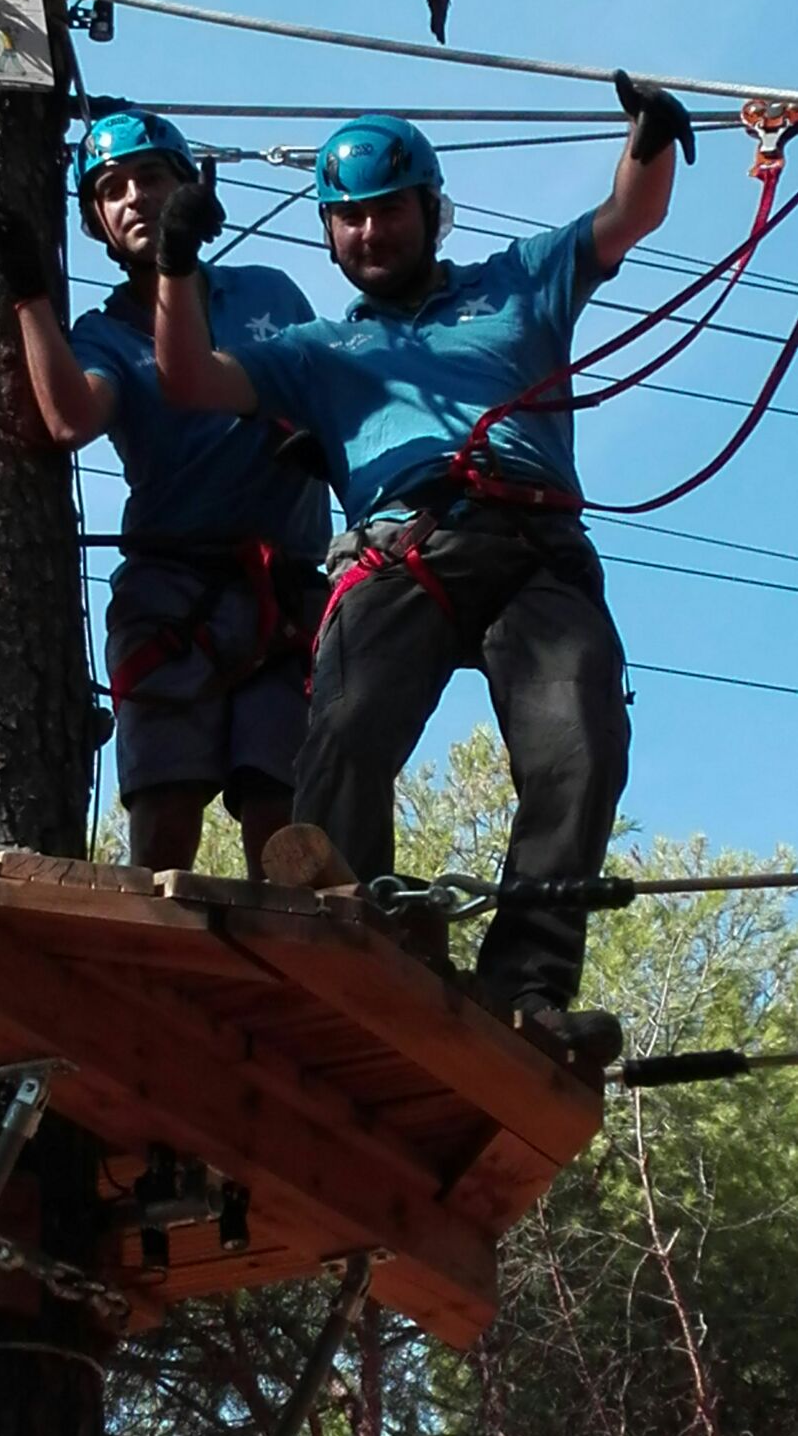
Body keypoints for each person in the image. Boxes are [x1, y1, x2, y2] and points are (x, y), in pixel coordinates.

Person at [149, 75, 695, 1063]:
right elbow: (189, 377)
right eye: (347, 219)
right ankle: (351, 938)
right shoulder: (319, 350)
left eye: (385, 210)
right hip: (405, 549)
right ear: (327, 233)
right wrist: (178, 264)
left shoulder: (517, 283)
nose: (367, 233)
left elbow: (628, 213)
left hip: (535, 550)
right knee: (345, 734)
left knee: (580, 739)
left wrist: (649, 131)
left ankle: (526, 986)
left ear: (429, 210)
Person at [0, 108, 331, 875]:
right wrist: (30, 293)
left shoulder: (267, 293)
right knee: (167, 809)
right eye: (113, 189)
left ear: (190, 187)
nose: (134, 197)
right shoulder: (107, 337)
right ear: (98, 222)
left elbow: (330, 386)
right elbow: (71, 417)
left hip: (287, 589)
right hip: (175, 591)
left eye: (151, 178)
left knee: (280, 807)